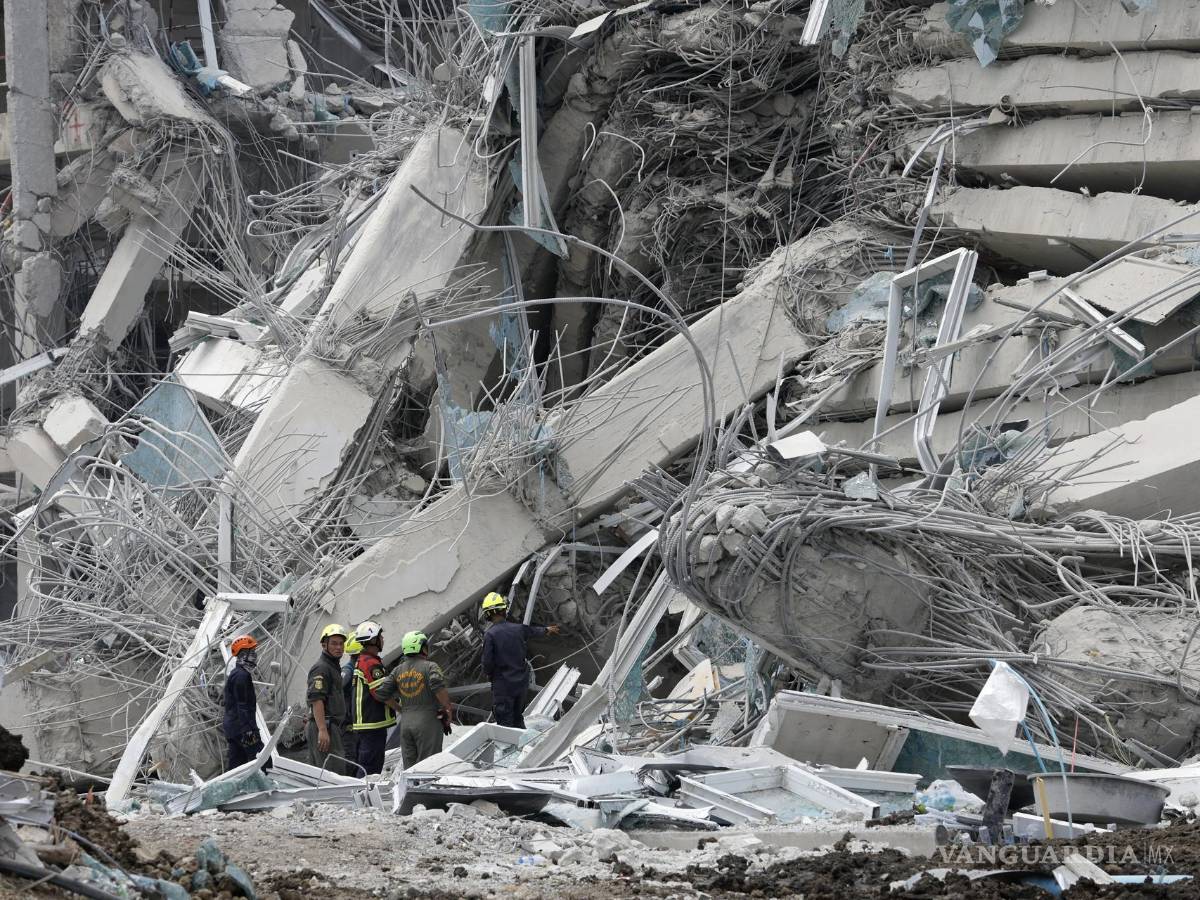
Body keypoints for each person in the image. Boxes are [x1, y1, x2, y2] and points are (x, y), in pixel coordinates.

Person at [480, 592, 559, 729]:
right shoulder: (518, 629)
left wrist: (490, 675)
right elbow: (532, 631)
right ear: (504, 610)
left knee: (505, 724)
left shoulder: (490, 635)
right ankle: (522, 746)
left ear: (488, 614)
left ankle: (510, 748)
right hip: (521, 683)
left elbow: (487, 664)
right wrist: (546, 630)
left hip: (503, 686)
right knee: (518, 717)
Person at [376, 631, 452, 769]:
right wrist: (448, 709)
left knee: (410, 769)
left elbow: (381, 693)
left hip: (406, 724)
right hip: (428, 722)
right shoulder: (430, 666)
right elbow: (437, 685)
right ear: (422, 648)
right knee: (429, 767)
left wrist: (401, 709)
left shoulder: (397, 671)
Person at [349, 620, 395, 776]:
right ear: (373, 640)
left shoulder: (362, 660)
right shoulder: (371, 664)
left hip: (367, 726)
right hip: (372, 726)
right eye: (380, 636)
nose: (383, 639)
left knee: (366, 766)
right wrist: (401, 708)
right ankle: (363, 797)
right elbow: (381, 693)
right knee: (370, 770)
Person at [306, 623, 349, 774]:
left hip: (331, 727)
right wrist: (322, 730)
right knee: (331, 773)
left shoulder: (332, 666)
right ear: (324, 645)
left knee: (330, 770)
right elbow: (317, 699)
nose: (339, 647)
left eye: (341, 643)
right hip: (325, 726)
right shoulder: (322, 668)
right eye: (334, 643)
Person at [222, 635, 262, 769]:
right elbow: (242, 706)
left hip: (234, 729)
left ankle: (233, 789)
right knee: (262, 762)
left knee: (237, 767)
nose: (255, 656)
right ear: (243, 655)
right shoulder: (241, 676)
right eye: (253, 653)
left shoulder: (236, 673)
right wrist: (249, 731)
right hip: (242, 730)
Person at [341, 633, 363, 774]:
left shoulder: (354, 669)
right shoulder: (348, 671)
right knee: (352, 759)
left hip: (353, 723)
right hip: (348, 725)